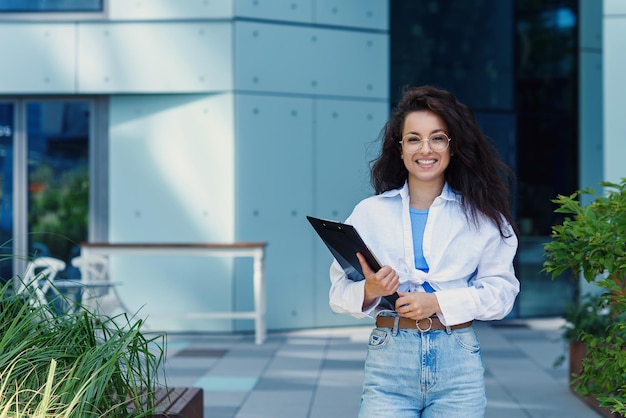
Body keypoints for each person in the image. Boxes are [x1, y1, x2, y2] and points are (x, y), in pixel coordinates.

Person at [328, 85, 520, 417]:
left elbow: (502, 294)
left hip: (457, 363)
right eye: (414, 138)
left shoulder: (483, 217)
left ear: (452, 147)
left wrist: (438, 302)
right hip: (389, 362)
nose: (425, 149)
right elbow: (337, 294)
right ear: (400, 149)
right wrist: (370, 290)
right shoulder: (369, 213)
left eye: (437, 137)